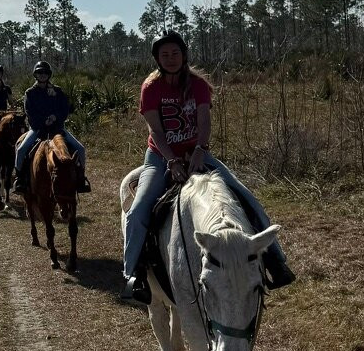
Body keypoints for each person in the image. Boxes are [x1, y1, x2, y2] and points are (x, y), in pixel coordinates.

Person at [121, 32, 295, 303]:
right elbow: (155, 130)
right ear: (157, 58)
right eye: (164, 55)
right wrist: (171, 160)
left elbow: (204, 121)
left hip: (197, 153)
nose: (170, 59)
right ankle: (134, 274)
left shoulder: (198, 84)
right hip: (160, 156)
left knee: (246, 198)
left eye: (175, 53)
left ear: (184, 55)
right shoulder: (151, 87)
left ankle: (276, 262)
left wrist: (200, 150)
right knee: (139, 208)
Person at [12, 61, 90, 195]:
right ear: (35, 75)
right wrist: (43, 122)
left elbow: (64, 109)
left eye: (45, 73)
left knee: (80, 149)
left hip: (57, 129)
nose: (42, 75)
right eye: (39, 73)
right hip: (37, 129)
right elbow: (30, 112)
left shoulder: (58, 91)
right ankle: (20, 179)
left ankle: (81, 179)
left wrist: (55, 117)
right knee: (21, 149)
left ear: (49, 75)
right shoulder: (30, 93)